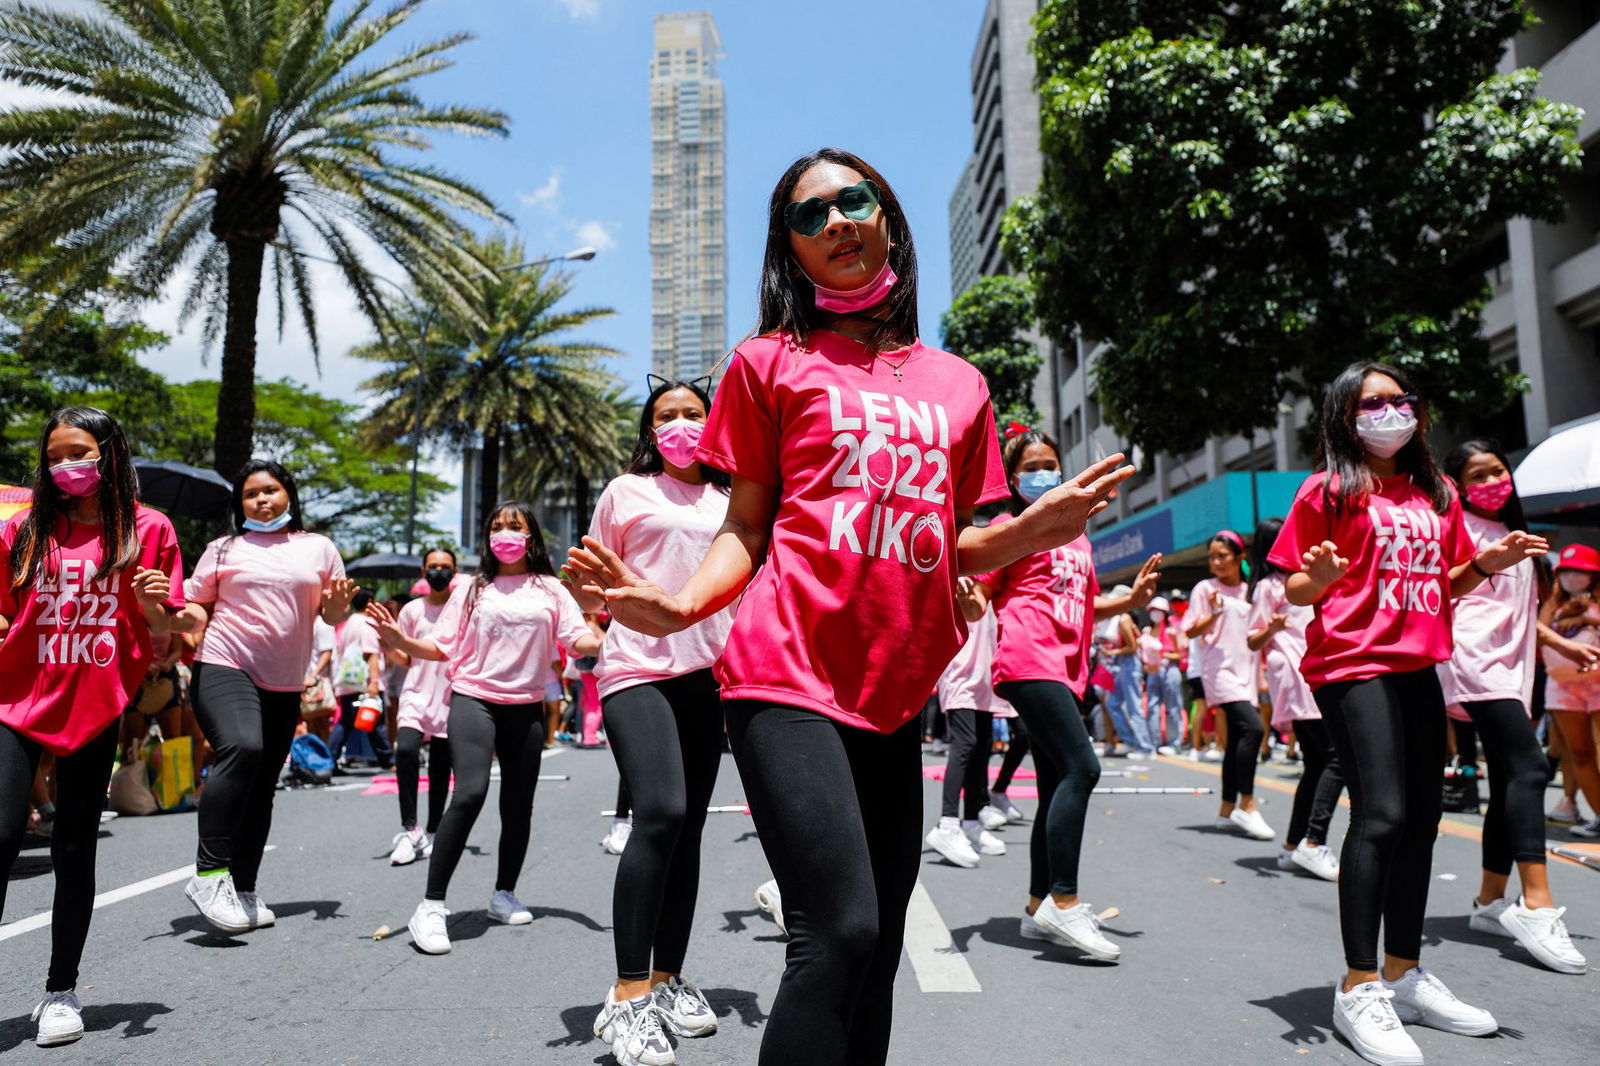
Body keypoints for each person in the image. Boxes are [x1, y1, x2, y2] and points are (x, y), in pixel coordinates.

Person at [566, 147, 1131, 1065]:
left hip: (895, 689)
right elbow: (745, 528)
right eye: (809, 215)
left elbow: (963, 548)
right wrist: (672, 609)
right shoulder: (765, 364)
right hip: (783, 674)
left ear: (887, 217)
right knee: (840, 934)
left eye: (852, 201)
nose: (836, 221)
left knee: (875, 958)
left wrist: (1036, 527)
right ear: (790, 250)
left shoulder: (960, 386)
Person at [1270, 362, 1548, 1066]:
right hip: (1351, 666)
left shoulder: (1436, 491)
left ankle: (1403, 971)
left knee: (1423, 822)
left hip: (1418, 663)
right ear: (1344, 415)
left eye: (1401, 401)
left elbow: (1448, 581)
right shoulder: (1326, 489)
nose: (1390, 412)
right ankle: (1358, 985)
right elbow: (1298, 585)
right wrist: (1321, 578)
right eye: (1372, 403)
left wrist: (1489, 563)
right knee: (1383, 815)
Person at [566, 376, 739, 1066]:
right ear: (648, 431)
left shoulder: (735, 498)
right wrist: (588, 618)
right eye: (665, 415)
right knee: (661, 812)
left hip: (711, 675)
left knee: (690, 828)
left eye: (692, 413)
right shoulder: (624, 493)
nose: (679, 424)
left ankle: (668, 979)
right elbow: (591, 577)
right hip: (637, 668)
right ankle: (629, 995)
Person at [0, 407, 183, 1047]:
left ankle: (60, 991)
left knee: (74, 847)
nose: (64, 466)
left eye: (78, 452)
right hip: (14, 701)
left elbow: (170, 634)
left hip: (96, 705)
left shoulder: (148, 530)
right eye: (54, 456)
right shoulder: (21, 530)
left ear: (108, 454)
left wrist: (155, 610)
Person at [368, 501, 603, 957]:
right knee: (471, 792)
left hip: (526, 707)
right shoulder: (471, 589)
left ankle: (504, 893)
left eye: (514, 526)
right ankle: (431, 906)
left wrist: (614, 635)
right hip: (474, 699)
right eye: (497, 526)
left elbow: (578, 642)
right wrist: (400, 641)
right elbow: (440, 646)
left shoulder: (551, 590)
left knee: (518, 804)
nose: (505, 534)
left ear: (532, 537)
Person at [964, 427, 1159, 961]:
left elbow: (1085, 605)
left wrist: (1131, 602)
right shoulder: (1011, 526)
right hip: (1029, 660)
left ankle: (1036, 908)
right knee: (1084, 768)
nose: (1043, 472)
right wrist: (970, 601)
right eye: (1031, 466)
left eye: (1051, 462)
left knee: (1055, 785)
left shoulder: (1077, 534)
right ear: (1013, 478)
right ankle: (1065, 900)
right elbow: (980, 594)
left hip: (1067, 668)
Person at [173, 460, 354, 934]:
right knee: (243, 747)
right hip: (225, 662)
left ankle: (243, 887)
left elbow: (333, 613)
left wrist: (336, 605)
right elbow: (196, 604)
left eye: (270, 490)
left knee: (261, 784)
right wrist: (184, 617)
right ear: (240, 504)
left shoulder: (318, 548)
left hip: (285, 681)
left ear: (288, 494)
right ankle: (209, 876)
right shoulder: (223, 549)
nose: (262, 500)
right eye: (251, 494)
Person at [1438, 441, 1590, 974]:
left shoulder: (1513, 533)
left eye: (1497, 469)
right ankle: (1537, 903)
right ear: (1457, 485)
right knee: (1529, 766)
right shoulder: (1454, 527)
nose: (1492, 480)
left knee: (1508, 777)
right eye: (1476, 474)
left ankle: (1487, 902)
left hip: (1514, 667)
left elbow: (1519, 609)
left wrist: (1562, 645)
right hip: (1474, 658)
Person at [1246, 517, 1342, 882]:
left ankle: (1293, 846)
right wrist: (1271, 628)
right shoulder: (1269, 587)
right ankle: (1313, 843)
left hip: (1313, 670)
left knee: (1318, 763)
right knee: (1336, 759)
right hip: (1295, 674)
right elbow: (1252, 640)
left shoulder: (1306, 576)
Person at [1188, 530, 1273, 840]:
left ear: (1239, 557)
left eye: (1221, 555)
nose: (1215, 561)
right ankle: (1247, 805)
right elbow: (1191, 632)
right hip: (1219, 671)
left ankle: (1226, 810)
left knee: (1238, 735)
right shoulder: (1204, 589)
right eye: (1212, 556)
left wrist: (1261, 674)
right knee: (1254, 729)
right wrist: (1212, 613)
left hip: (1247, 671)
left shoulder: (1251, 591)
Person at [924, 579, 1013, 869]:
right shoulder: (959, 576)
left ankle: (972, 822)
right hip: (961, 676)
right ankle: (947, 824)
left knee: (982, 749)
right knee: (965, 745)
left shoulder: (994, 584)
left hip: (985, 678)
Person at [387, 549, 459, 866]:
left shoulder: (463, 609)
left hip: (449, 696)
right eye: (433, 567)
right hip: (415, 694)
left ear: (454, 571)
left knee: (441, 767)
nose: (439, 572)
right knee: (405, 751)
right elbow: (404, 657)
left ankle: (432, 830)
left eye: (445, 567)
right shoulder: (412, 610)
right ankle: (409, 828)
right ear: (423, 570)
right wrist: (386, 641)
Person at [1539, 542, 1600, 839]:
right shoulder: (1553, 601)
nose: (1573, 576)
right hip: (1562, 687)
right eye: (1568, 570)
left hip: (1598, 684)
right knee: (1579, 753)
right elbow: (1538, 634)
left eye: (1581, 571)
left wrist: (1587, 618)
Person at [328, 589, 391, 769]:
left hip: (349, 680)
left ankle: (330, 759)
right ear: (370, 601)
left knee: (346, 722)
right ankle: (387, 759)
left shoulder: (348, 623)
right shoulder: (367, 623)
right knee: (375, 720)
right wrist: (374, 681)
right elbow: (370, 652)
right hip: (365, 681)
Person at [1141, 597, 1185, 753]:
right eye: (1153, 611)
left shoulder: (1171, 631)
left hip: (1169, 671)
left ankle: (1174, 743)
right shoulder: (1147, 632)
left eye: (1159, 611)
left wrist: (1164, 656)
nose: (1156, 614)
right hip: (1153, 672)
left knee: (1173, 707)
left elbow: (1180, 655)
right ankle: (1153, 741)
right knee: (1152, 706)